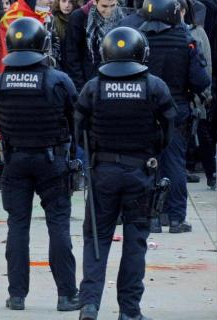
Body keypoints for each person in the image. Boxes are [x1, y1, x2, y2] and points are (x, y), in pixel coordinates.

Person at [75, 27, 176, 320]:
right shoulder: (154, 86)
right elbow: (169, 127)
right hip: (140, 171)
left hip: (102, 171)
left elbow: (79, 127)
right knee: (135, 242)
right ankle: (129, 311)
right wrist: (150, 152)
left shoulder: (94, 86)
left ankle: (89, 305)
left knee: (96, 238)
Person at [0, 18, 81, 312]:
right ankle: (66, 295)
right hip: (52, 160)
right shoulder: (59, 80)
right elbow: (75, 119)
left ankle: (17, 296)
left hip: (15, 160)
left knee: (17, 226)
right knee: (58, 225)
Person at [137, 0, 210, 233]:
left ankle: (152, 218)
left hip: (144, 109)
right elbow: (200, 80)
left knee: (147, 165)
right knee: (175, 165)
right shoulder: (185, 40)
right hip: (176, 108)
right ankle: (176, 218)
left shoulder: (138, 39)